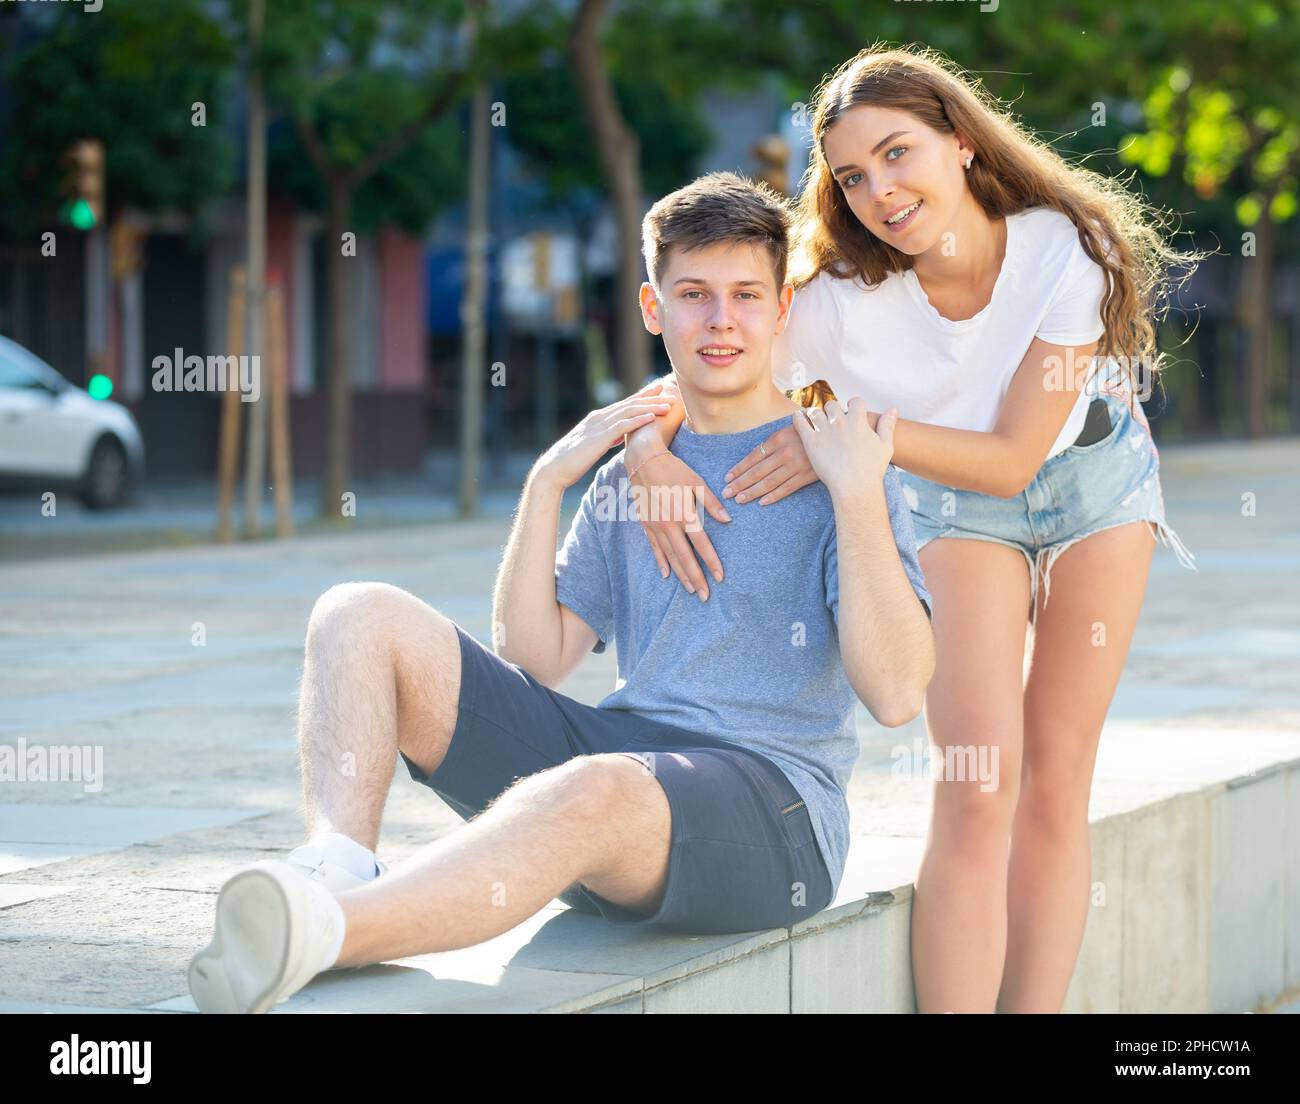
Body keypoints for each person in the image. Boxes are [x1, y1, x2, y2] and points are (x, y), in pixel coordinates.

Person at [187, 170, 934, 1015]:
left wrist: (857, 495)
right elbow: (532, 661)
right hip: (621, 781)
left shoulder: (841, 460)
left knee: (593, 783)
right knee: (357, 611)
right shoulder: (628, 468)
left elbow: (899, 693)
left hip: (772, 810)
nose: (720, 321)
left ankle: (320, 934)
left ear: (782, 309)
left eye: (744, 296)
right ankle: (335, 864)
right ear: (654, 309)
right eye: (693, 295)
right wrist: (548, 481)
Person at [623, 45, 1203, 1014]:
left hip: (1094, 481)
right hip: (951, 506)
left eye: (898, 155)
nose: (879, 192)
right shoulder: (838, 304)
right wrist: (647, 448)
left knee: (1057, 781)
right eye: (851, 176)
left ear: (961, 143)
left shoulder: (1065, 250)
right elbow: (711, 362)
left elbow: (1016, 454)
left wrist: (850, 439)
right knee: (977, 785)